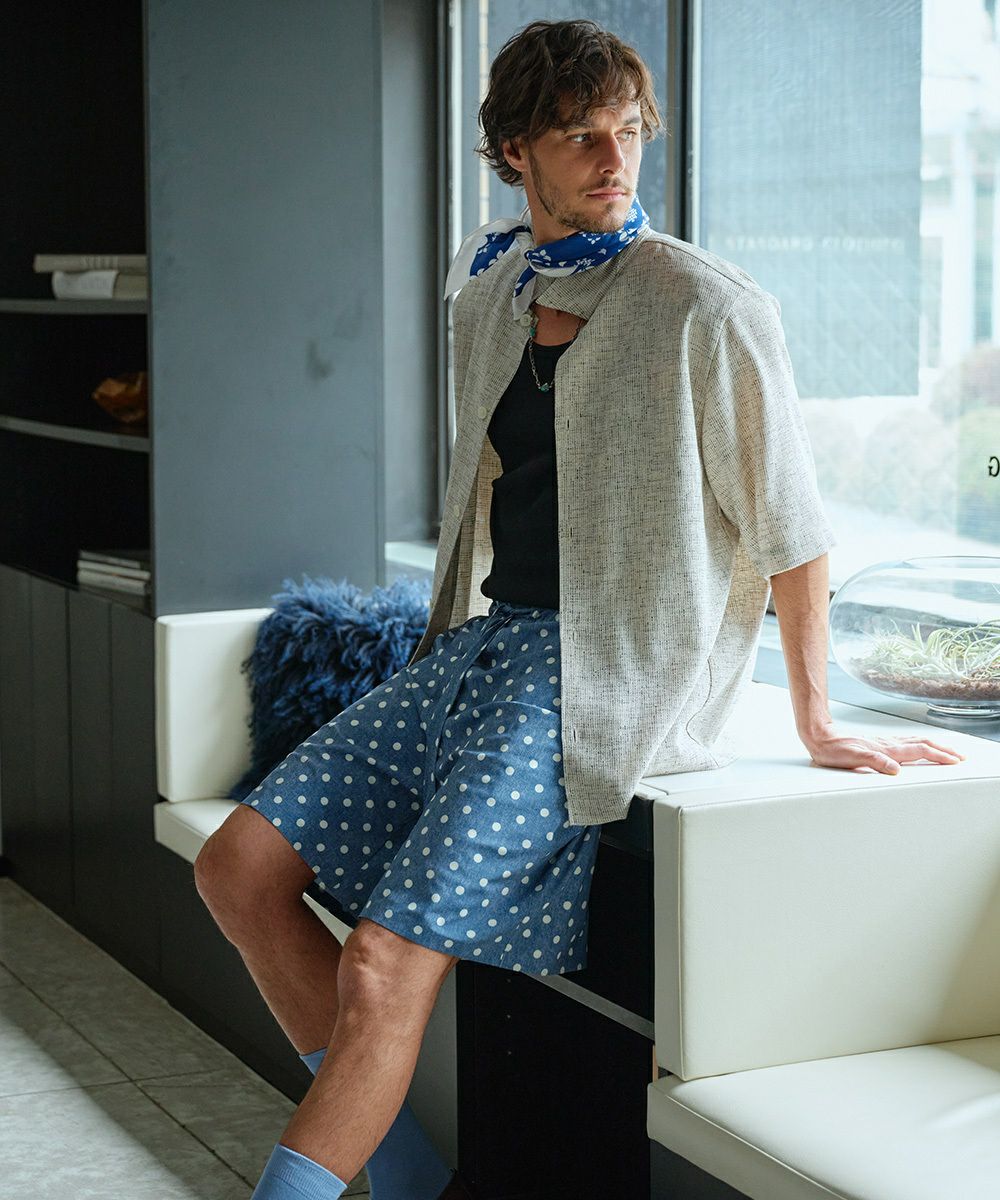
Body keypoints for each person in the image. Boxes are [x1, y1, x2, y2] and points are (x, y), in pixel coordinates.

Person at [193, 18, 968, 1200]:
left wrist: (816, 719)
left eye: (628, 132)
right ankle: (411, 1184)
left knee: (386, 964)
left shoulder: (704, 306)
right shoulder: (492, 291)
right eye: (579, 137)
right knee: (238, 870)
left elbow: (794, 528)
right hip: (486, 651)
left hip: (601, 679)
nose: (615, 160)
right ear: (515, 152)